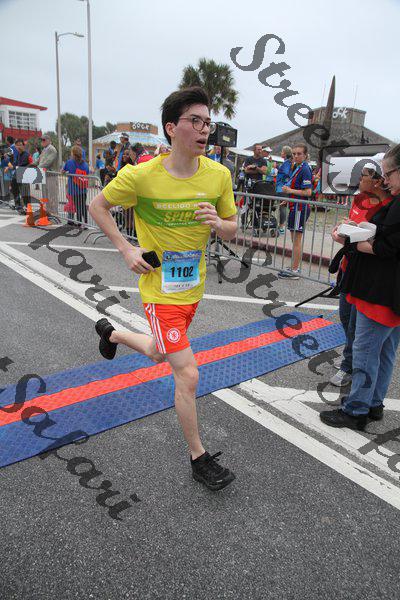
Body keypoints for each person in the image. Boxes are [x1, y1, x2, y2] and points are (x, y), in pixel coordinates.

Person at [89, 86, 237, 491]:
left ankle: (111, 334)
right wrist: (125, 248)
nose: (204, 130)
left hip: (193, 288)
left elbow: (233, 227)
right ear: (171, 128)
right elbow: (97, 206)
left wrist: (218, 223)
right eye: (195, 121)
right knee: (187, 373)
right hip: (159, 292)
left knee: (159, 351)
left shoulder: (219, 175)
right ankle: (198, 458)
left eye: (208, 122)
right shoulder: (141, 176)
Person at [320, 144, 400, 431]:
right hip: (390, 292)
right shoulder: (393, 201)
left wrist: (352, 240)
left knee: (366, 352)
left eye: (388, 173)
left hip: (379, 290)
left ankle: (356, 410)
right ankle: (373, 403)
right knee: (385, 351)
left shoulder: (397, 205)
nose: (384, 180)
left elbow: (386, 247)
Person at [329, 156, 392, 388]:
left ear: (378, 180)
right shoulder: (359, 198)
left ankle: (349, 366)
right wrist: (344, 228)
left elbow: (381, 243)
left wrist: (353, 238)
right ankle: (352, 356)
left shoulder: (388, 207)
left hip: (366, 273)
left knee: (358, 324)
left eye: (363, 175)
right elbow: (353, 227)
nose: (359, 179)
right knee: (346, 317)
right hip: (348, 267)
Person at [278, 143, 313, 279]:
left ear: (305, 155)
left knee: (296, 240)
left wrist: (290, 191)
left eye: (299, 154)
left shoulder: (305, 169)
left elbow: (308, 192)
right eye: (294, 154)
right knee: (294, 240)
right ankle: (294, 267)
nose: (296, 156)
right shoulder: (298, 167)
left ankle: (295, 270)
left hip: (300, 208)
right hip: (295, 206)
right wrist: (289, 199)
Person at [62, 145, 89, 226]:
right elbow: (87, 173)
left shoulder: (70, 162)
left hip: (74, 189)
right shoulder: (85, 164)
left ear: (73, 154)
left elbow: (62, 171)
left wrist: (66, 173)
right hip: (83, 189)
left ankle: (79, 223)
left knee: (78, 207)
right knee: (83, 206)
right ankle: (86, 222)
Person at [4, 138, 30, 213]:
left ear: (23, 146)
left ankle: (28, 208)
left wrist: (12, 166)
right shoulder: (18, 154)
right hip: (17, 175)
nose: (18, 147)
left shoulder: (26, 154)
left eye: (20, 145)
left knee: (25, 193)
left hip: (24, 175)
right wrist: (8, 167)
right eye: (17, 145)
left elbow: (21, 165)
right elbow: (15, 163)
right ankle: (18, 205)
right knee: (14, 189)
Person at [275, 145, 293, 234]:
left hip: (282, 188)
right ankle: (281, 226)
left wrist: (279, 169)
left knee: (282, 207)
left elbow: (286, 173)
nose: (281, 153)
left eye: (282, 151)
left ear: (285, 154)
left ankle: (281, 227)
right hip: (282, 187)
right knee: (282, 207)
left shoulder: (286, 163)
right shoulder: (287, 163)